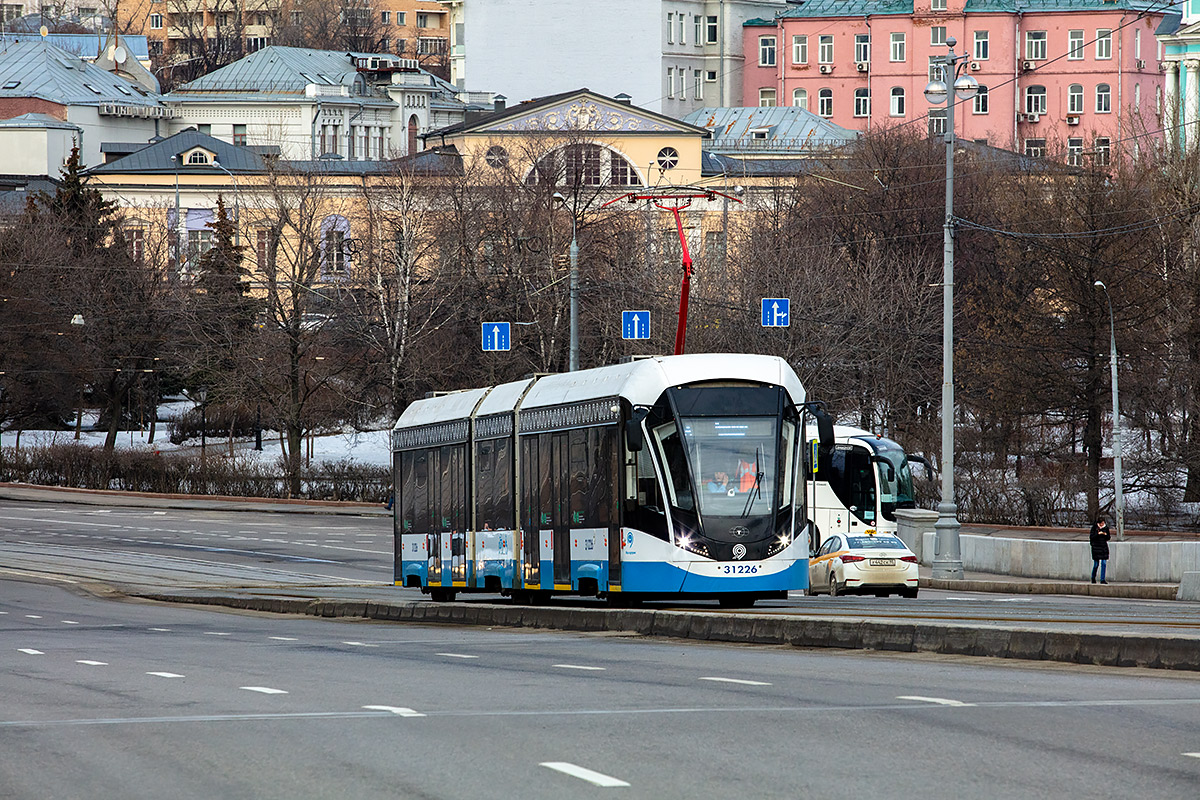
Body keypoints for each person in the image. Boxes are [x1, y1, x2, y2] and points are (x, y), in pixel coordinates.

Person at [1090, 516, 1111, 584]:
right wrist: (1098, 534)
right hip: (1096, 548)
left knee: (1104, 563)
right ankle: (1093, 577)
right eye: (1101, 523)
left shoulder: (1106, 528)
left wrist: (1105, 534)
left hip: (1103, 547)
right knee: (1096, 564)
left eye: (1103, 523)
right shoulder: (1094, 528)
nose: (1102, 524)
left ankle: (1102, 579)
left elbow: (1108, 537)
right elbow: (1092, 537)